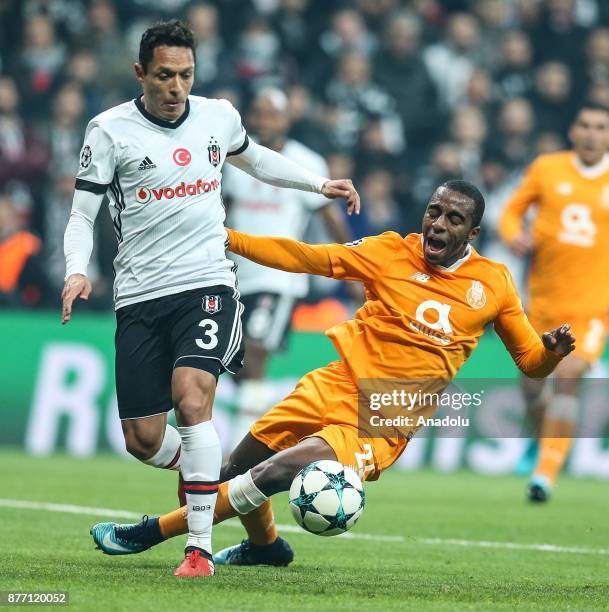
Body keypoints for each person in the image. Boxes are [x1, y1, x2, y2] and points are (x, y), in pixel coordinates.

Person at [90, 180, 574, 566]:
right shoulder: (388, 252)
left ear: (472, 235)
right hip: (333, 384)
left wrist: (551, 354)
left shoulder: (494, 283)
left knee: (274, 471)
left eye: (454, 218)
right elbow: (309, 258)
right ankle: (266, 548)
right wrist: (227, 239)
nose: (438, 223)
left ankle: (149, 532)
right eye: (433, 211)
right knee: (232, 473)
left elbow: (530, 362)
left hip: (385, 414)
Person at [62, 19, 359, 578]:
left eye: (186, 75)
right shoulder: (108, 131)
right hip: (140, 294)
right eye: (165, 76)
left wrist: (318, 184)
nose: (176, 87)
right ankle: (211, 469)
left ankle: (197, 550)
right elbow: (83, 214)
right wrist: (77, 270)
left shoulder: (217, 116)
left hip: (208, 283)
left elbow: (259, 159)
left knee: (193, 401)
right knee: (143, 439)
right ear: (140, 73)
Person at [223, 87, 352, 446]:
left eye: (272, 114)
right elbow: (223, 208)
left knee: (256, 348)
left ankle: (239, 446)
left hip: (280, 276)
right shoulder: (236, 158)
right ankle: (263, 422)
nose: (265, 121)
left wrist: (354, 265)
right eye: (259, 114)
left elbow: (330, 217)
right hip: (236, 275)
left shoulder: (307, 162)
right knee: (236, 361)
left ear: (287, 118)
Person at [498, 101, 609, 502]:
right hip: (542, 303)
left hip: (594, 307)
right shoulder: (547, 168)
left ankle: (545, 474)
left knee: (569, 375)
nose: (593, 133)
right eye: (586, 125)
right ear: (573, 132)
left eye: (601, 127)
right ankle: (542, 438)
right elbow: (510, 212)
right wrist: (513, 234)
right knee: (532, 386)